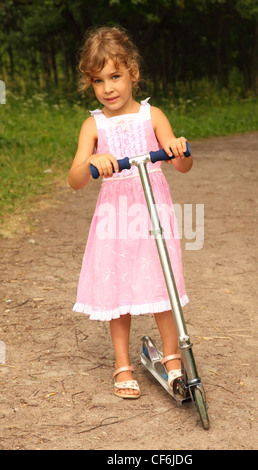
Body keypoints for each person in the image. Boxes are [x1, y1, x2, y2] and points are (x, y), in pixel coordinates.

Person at [69, 26, 193, 399]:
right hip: (115, 217)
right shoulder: (94, 124)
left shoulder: (153, 116)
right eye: (98, 80)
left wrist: (177, 148)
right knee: (118, 284)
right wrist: (93, 159)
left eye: (115, 76)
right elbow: (75, 179)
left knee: (162, 282)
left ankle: (172, 358)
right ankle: (122, 363)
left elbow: (182, 166)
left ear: (133, 73)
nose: (108, 88)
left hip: (153, 212)